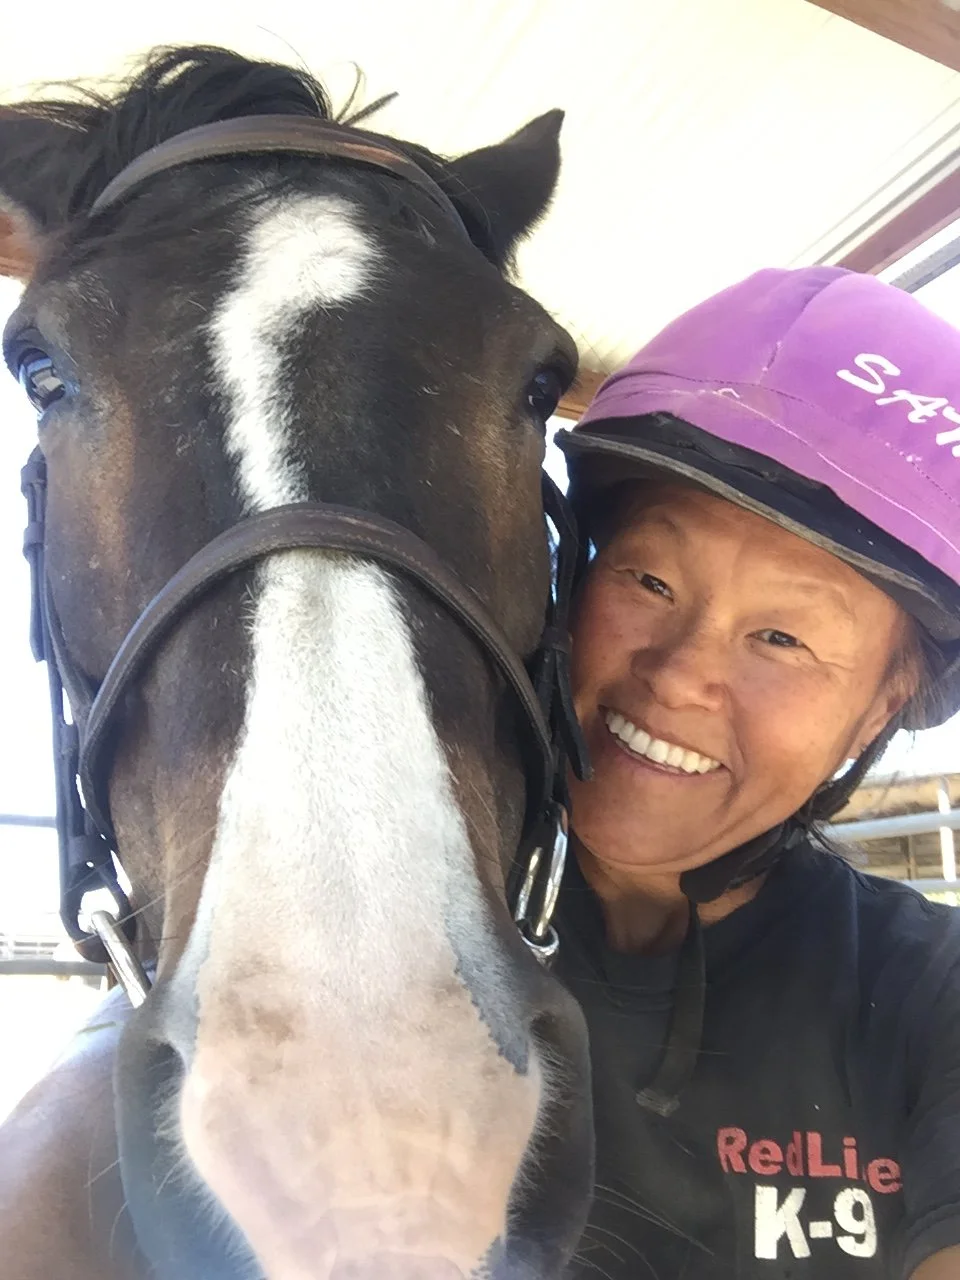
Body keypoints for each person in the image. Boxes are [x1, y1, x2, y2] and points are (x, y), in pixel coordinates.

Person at [553, 265, 960, 1280]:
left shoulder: (930, 998)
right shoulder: (392, 925)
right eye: (649, 578)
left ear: (882, 707)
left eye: (780, 637)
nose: (681, 674)